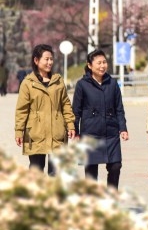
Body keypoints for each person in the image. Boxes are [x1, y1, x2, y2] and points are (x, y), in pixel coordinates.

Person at [15, 44, 76, 175]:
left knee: (56, 172)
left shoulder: (58, 81)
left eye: (51, 59)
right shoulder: (27, 83)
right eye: (46, 59)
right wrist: (19, 131)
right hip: (36, 133)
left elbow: (65, 104)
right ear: (36, 60)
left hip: (57, 132)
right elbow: (22, 110)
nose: (49, 62)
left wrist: (70, 125)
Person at [72, 49, 129, 189]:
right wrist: (75, 130)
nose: (102, 66)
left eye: (104, 62)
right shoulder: (82, 84)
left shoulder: (113, 83)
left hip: (111, 133)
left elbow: (119, 108)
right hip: (90, 133)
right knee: (91, 170)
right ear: (90, 65)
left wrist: (123, 128)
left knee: (116, 166)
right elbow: (76, 110)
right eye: (99, 63)